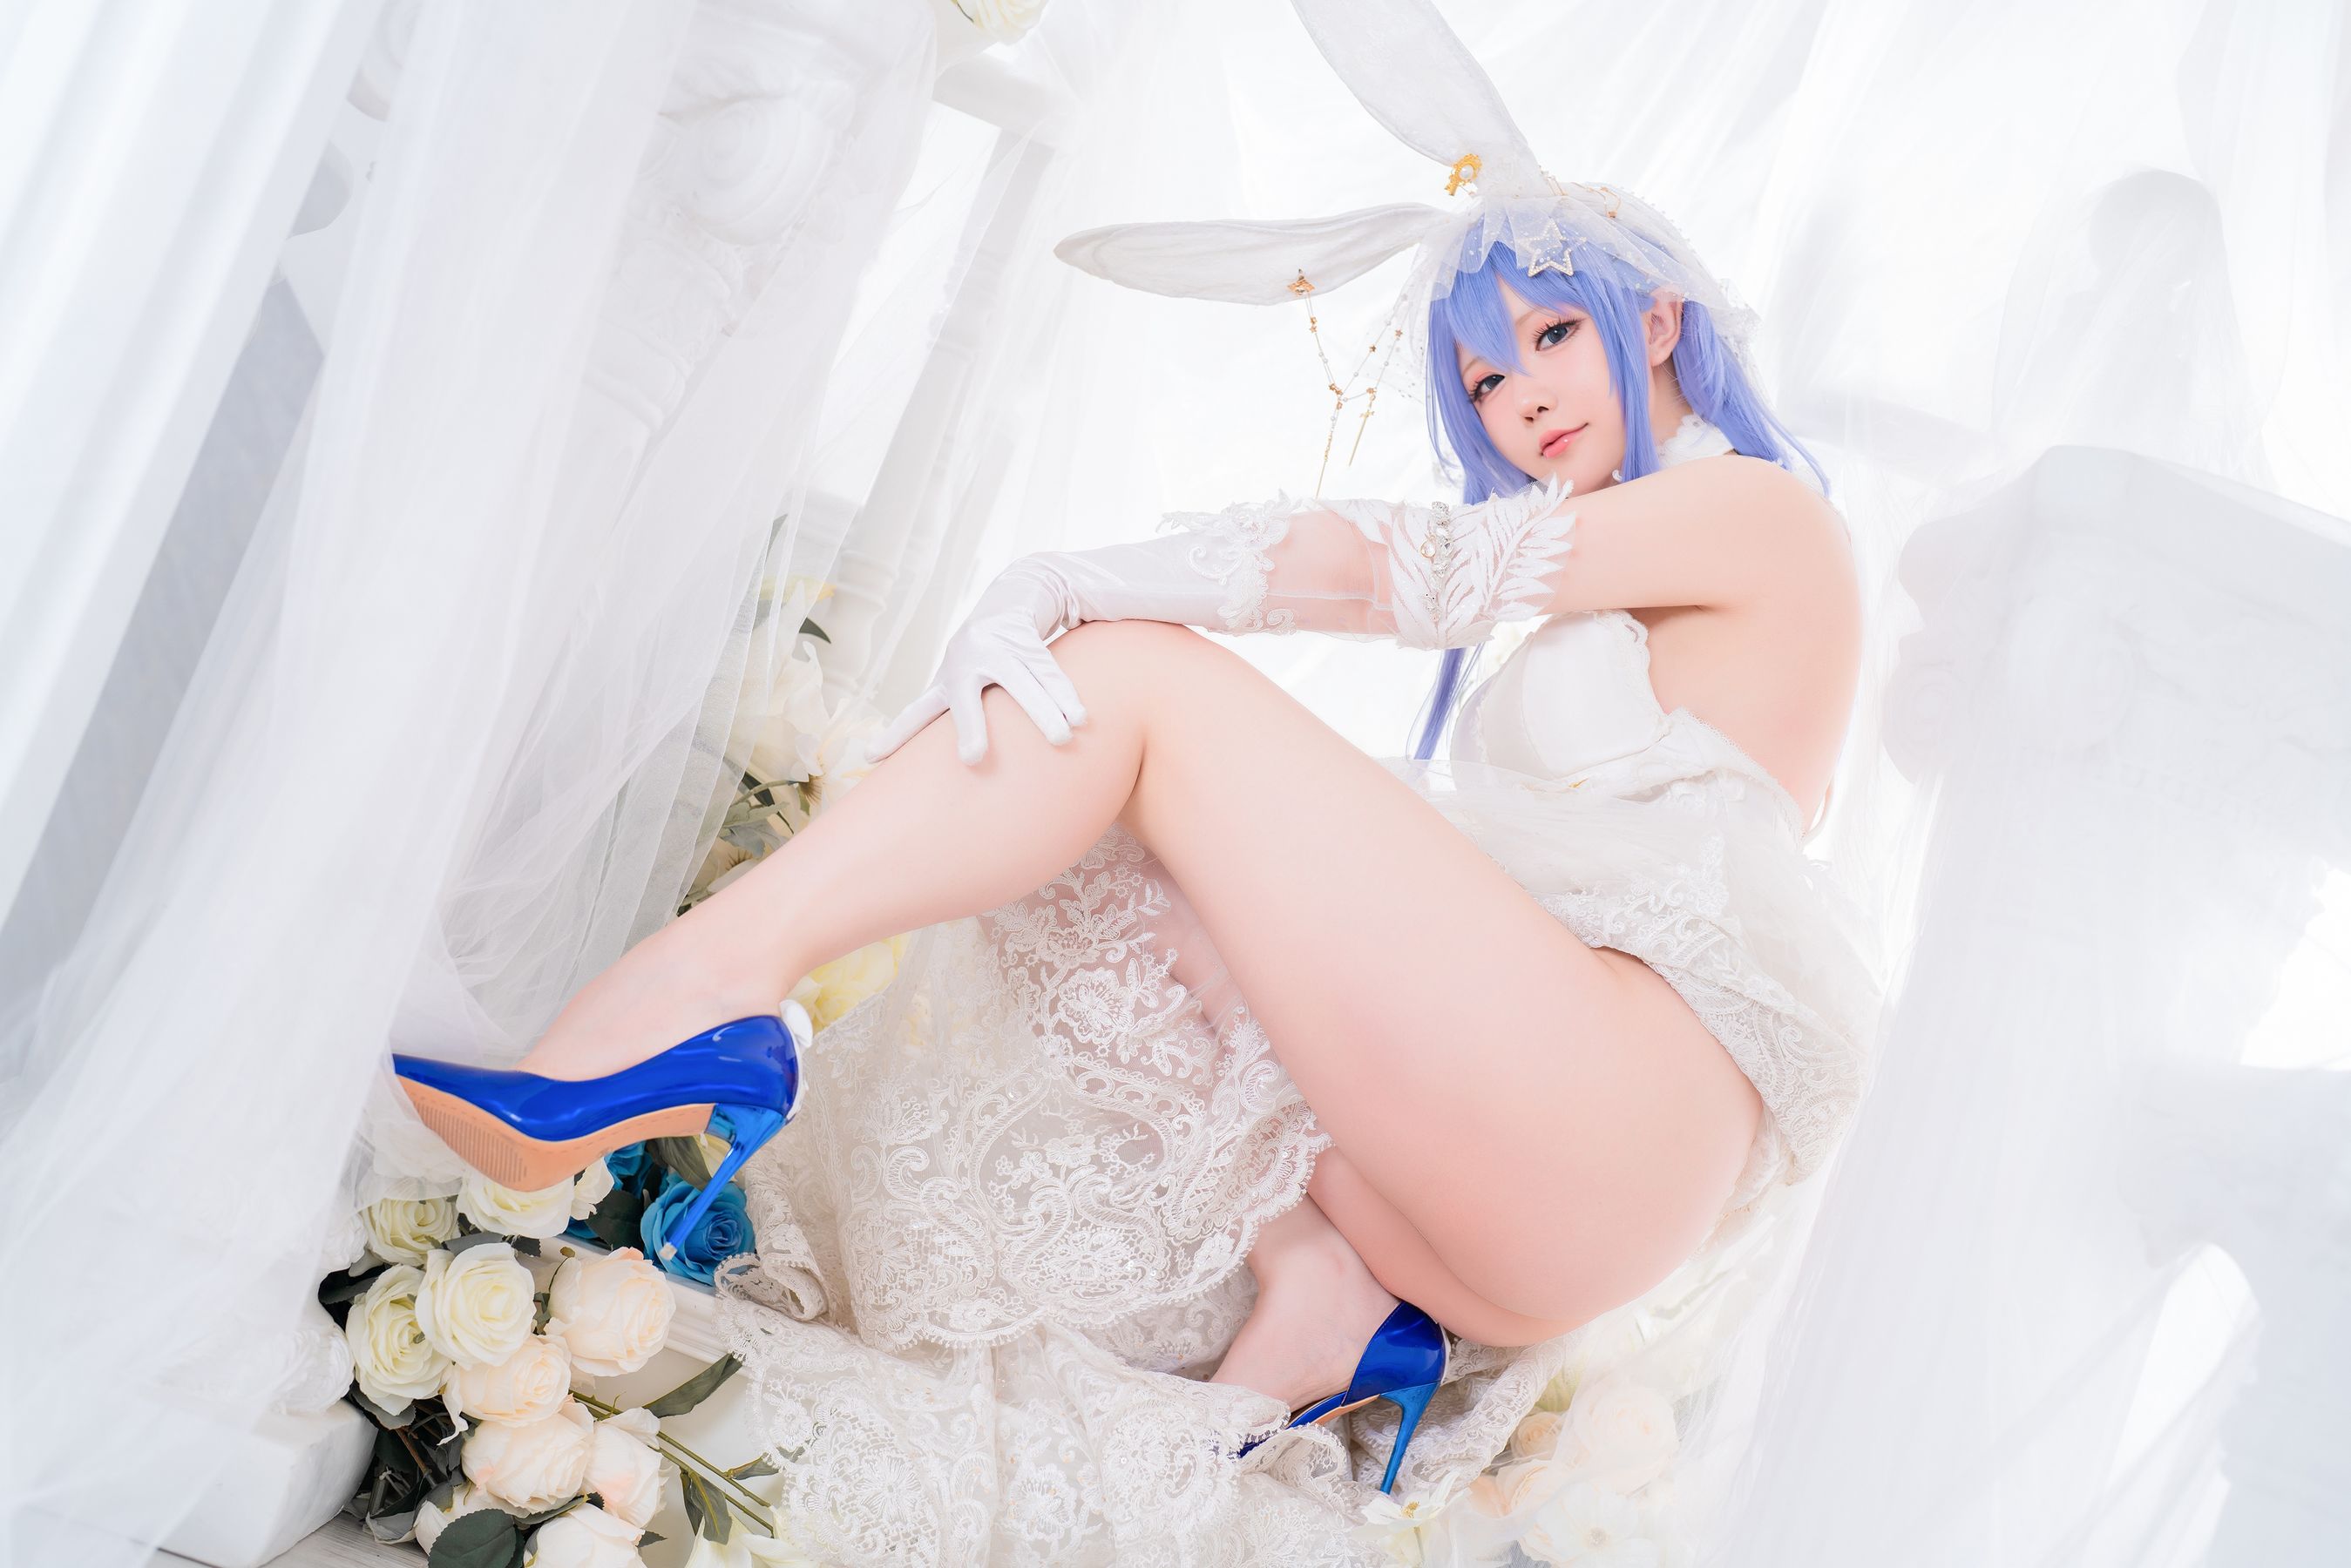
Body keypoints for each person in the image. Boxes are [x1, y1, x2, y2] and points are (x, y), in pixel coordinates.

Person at [391, 123, 1883, 1558]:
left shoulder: (1764, 518)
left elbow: (1421, 569)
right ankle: (1327, 1287)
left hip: (1615, 1123)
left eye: (1552, 336)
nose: (1522, 400)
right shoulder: (1618, 581)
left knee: (1130, 682)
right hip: (1477, 1215)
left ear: (1659, 317)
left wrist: (1081, 576)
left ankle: (698, 991)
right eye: (1485, 379)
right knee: (1127, 854)